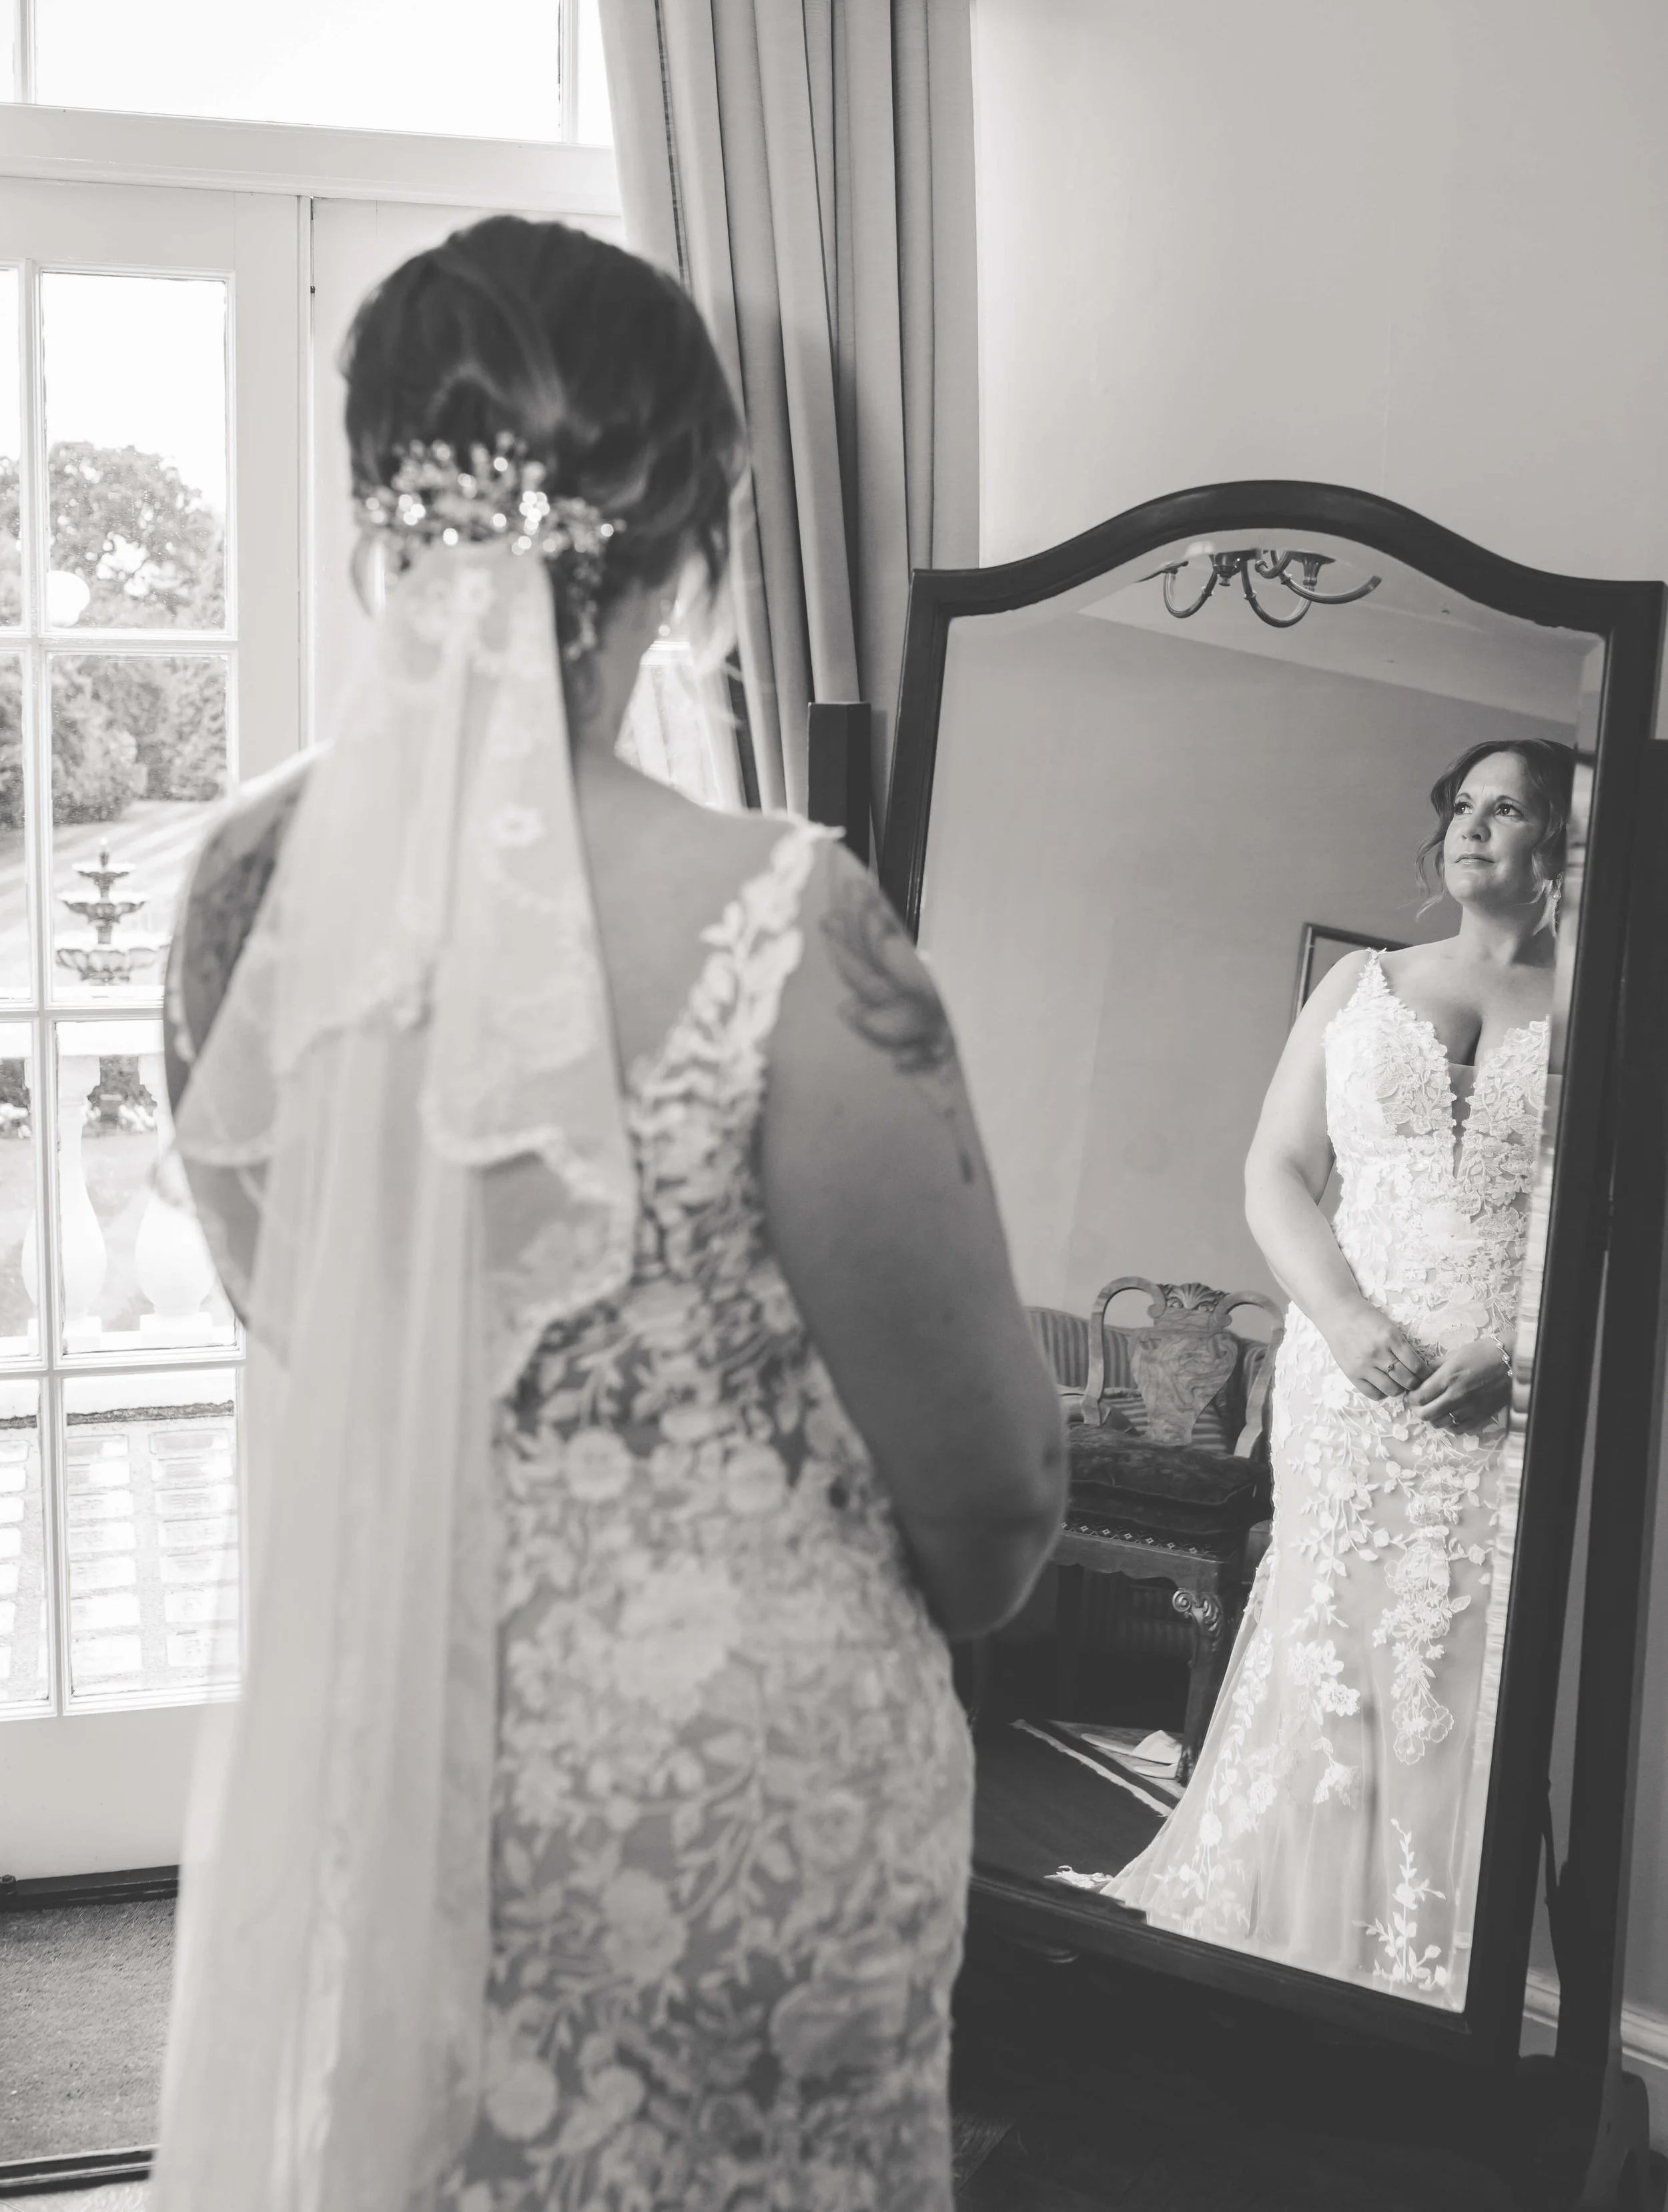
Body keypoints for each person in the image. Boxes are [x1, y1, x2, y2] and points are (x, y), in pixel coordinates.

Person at [150, 217, 1065, 2211]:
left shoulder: (236, 893)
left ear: (385, 518)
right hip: (732, 1809)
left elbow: (303, 1314)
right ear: (687, 543)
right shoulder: (787, 923)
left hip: (391, 1770)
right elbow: (992, 1507)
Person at [1094, 739, 1571, 2001]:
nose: (1475, 827)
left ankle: (1427, 1983)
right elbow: (1274, 1173)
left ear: (1562, 843)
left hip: (1506, 1392)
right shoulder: (1363, 986)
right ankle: (1277, 1942)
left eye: (1510, 807)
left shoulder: (1604, 1005)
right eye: (1462, 806)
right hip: (1350, 1381)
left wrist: (1518, 1351)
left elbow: (1625, 1221)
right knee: (1331, 1649)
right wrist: (1350, 1318)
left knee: (1464, 1674)